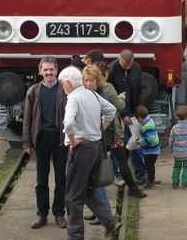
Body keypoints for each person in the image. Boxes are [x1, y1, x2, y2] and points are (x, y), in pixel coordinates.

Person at [59, 66, 121, 240]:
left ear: (69, 83)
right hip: (95, 148)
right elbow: (111, 111)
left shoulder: (73, 98)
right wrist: (98, 130)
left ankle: (75, 236)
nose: (63, 88)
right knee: (86, 191)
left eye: (63, 84)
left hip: (81, 150)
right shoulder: (92, 94)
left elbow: (68, 123)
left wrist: (72, 141)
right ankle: (110, 222)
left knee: (72, 196)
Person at [84, 50, 147, 199]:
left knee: (97, 166)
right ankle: (131, 188)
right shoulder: (108, 88)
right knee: (121, 160)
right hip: (111, 131)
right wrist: (121, 99)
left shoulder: (83, 92)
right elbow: (117, 106)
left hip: (94, 133)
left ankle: (98, 198)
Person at [22, 56, 68, 229]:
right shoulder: (33, 91)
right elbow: (28, 118)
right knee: (41, 179)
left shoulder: (65, 90)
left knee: (61, 179)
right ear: (40, 71)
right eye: (45, 69)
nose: (49, 72)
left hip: (60, 139)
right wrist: (27, 142)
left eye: (52, 69)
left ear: (57, 70)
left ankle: (59, 213)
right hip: (41, 139)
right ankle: (41, 214)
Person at [107, 49, 150, 184]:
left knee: (135, 142)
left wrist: (140, 108)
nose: (127, 67)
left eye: (129, 65)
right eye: (125, 65)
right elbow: (111, 95)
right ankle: (117, 173)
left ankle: (140, 173)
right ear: (119, 59)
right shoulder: (112, 70)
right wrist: (123, 113)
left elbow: (141, 87)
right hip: (119, 112)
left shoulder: (136, 68)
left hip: (134, 110)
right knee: (119, 143)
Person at [169, 104, 187, 189]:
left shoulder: (174, 128)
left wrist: (171, 149)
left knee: (176, 167)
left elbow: (171, 140)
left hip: (177, 153)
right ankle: (185, 183)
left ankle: (175, 183)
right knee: (186, 167)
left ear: (177, 117)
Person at [135, 104, 161, 189]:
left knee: (149, 165)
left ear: (140, 117)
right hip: (153, 149)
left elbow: (150, 139)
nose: (138, 121)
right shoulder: (149, 120)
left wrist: (140, 142)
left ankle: (151, 181)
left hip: (151, 151)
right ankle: (151, 178)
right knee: (151, 165)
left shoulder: (147, 126)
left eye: (137, 119)